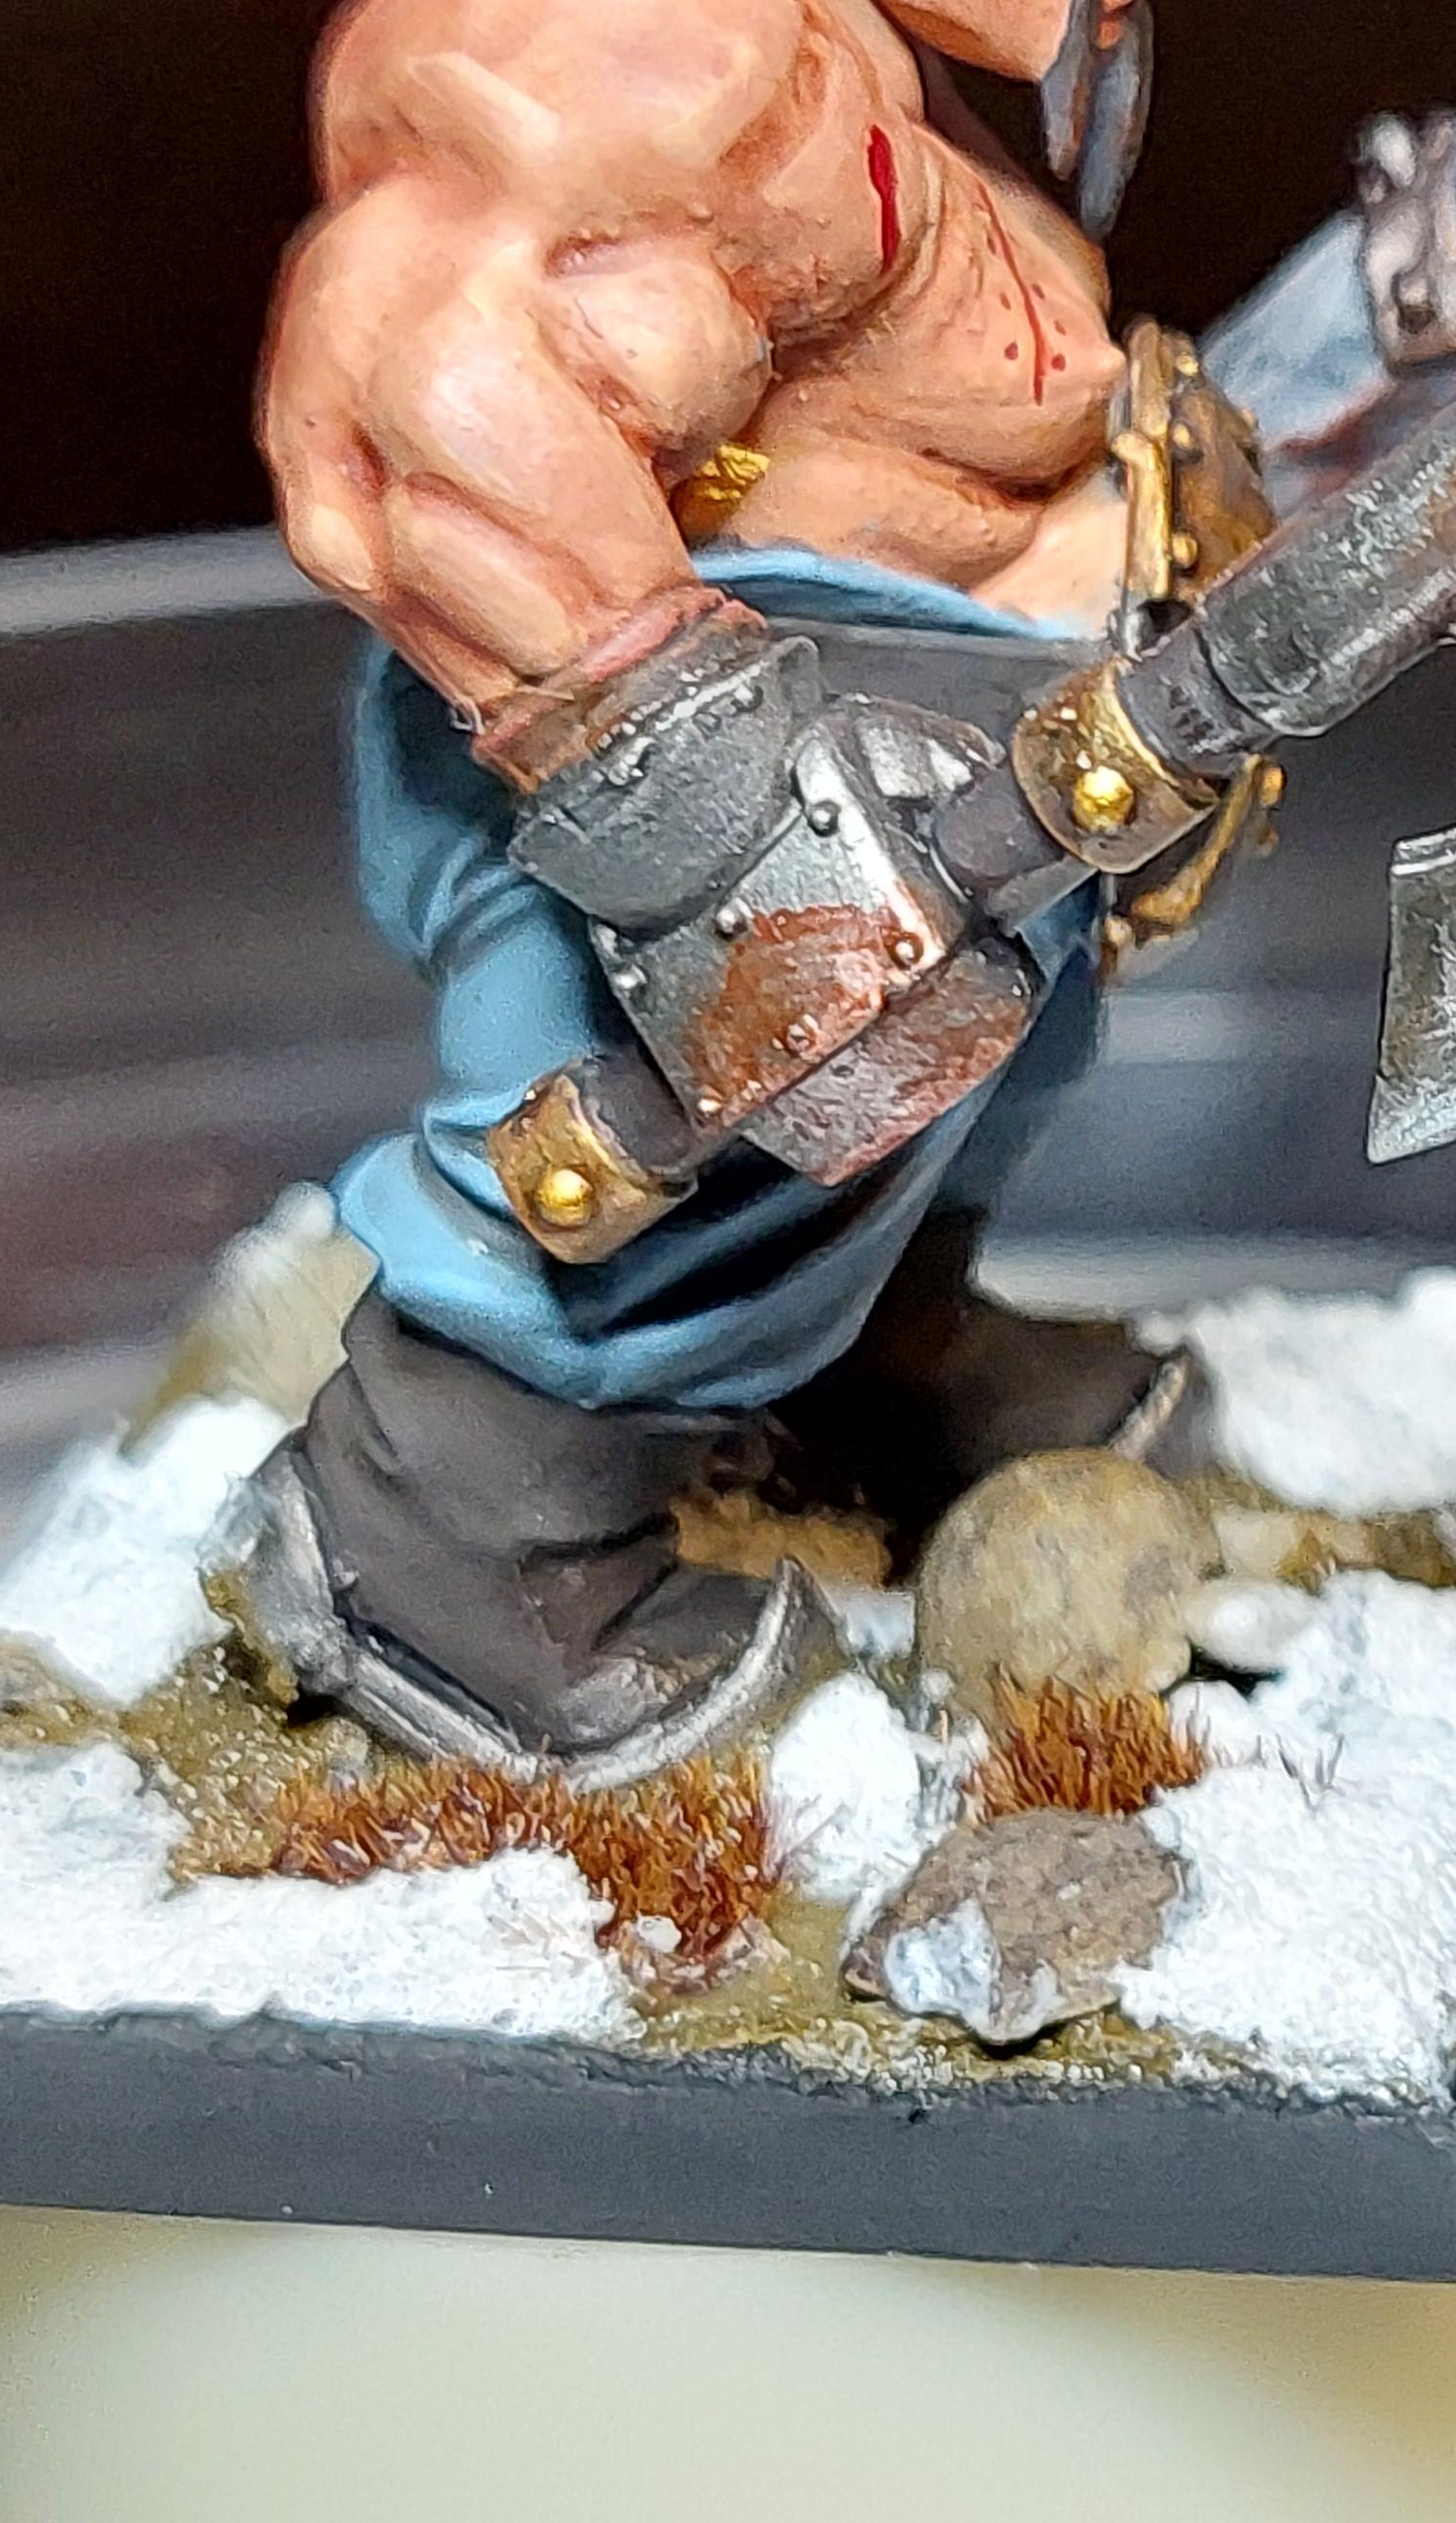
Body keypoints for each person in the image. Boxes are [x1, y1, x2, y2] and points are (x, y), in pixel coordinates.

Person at [243, 0, 1172, 1779]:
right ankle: (443, 1539)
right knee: (698, 1137)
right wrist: (711, 809)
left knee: (989, 1053)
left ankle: (865, 1364)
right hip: (656, 721)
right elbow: (445, 429)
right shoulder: (533, 102)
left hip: (970, 660)